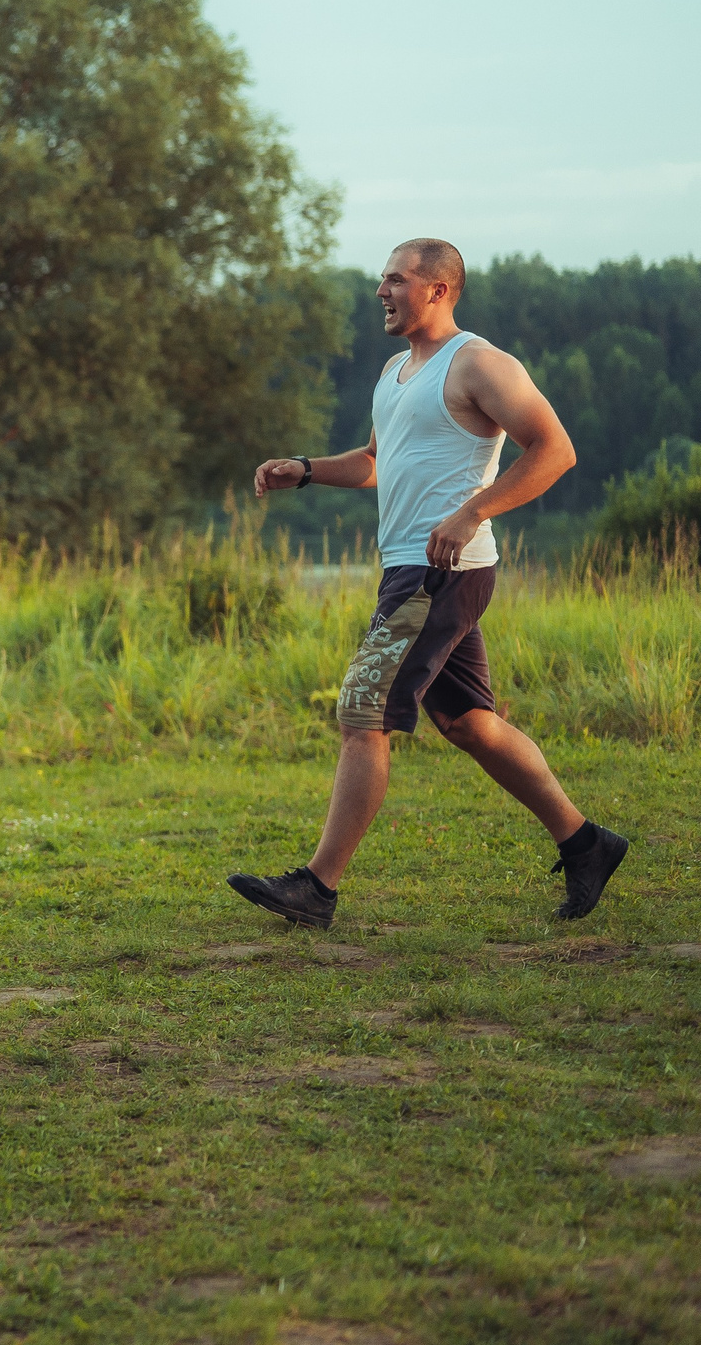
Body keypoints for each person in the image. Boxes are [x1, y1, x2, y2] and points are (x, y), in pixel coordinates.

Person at [227, 238, 629, 927]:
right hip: (412, 567)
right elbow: (376, 462)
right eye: (381, 279)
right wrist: (305, 467)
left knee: (363, 711)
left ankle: (316, 889)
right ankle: (586, 842)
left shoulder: (478, 362)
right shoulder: (395, 371)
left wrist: (472, 511)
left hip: (439, 571)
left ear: (438, 289)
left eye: (396, 280)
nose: (381, 291)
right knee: (470, 722)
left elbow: (555, 448)